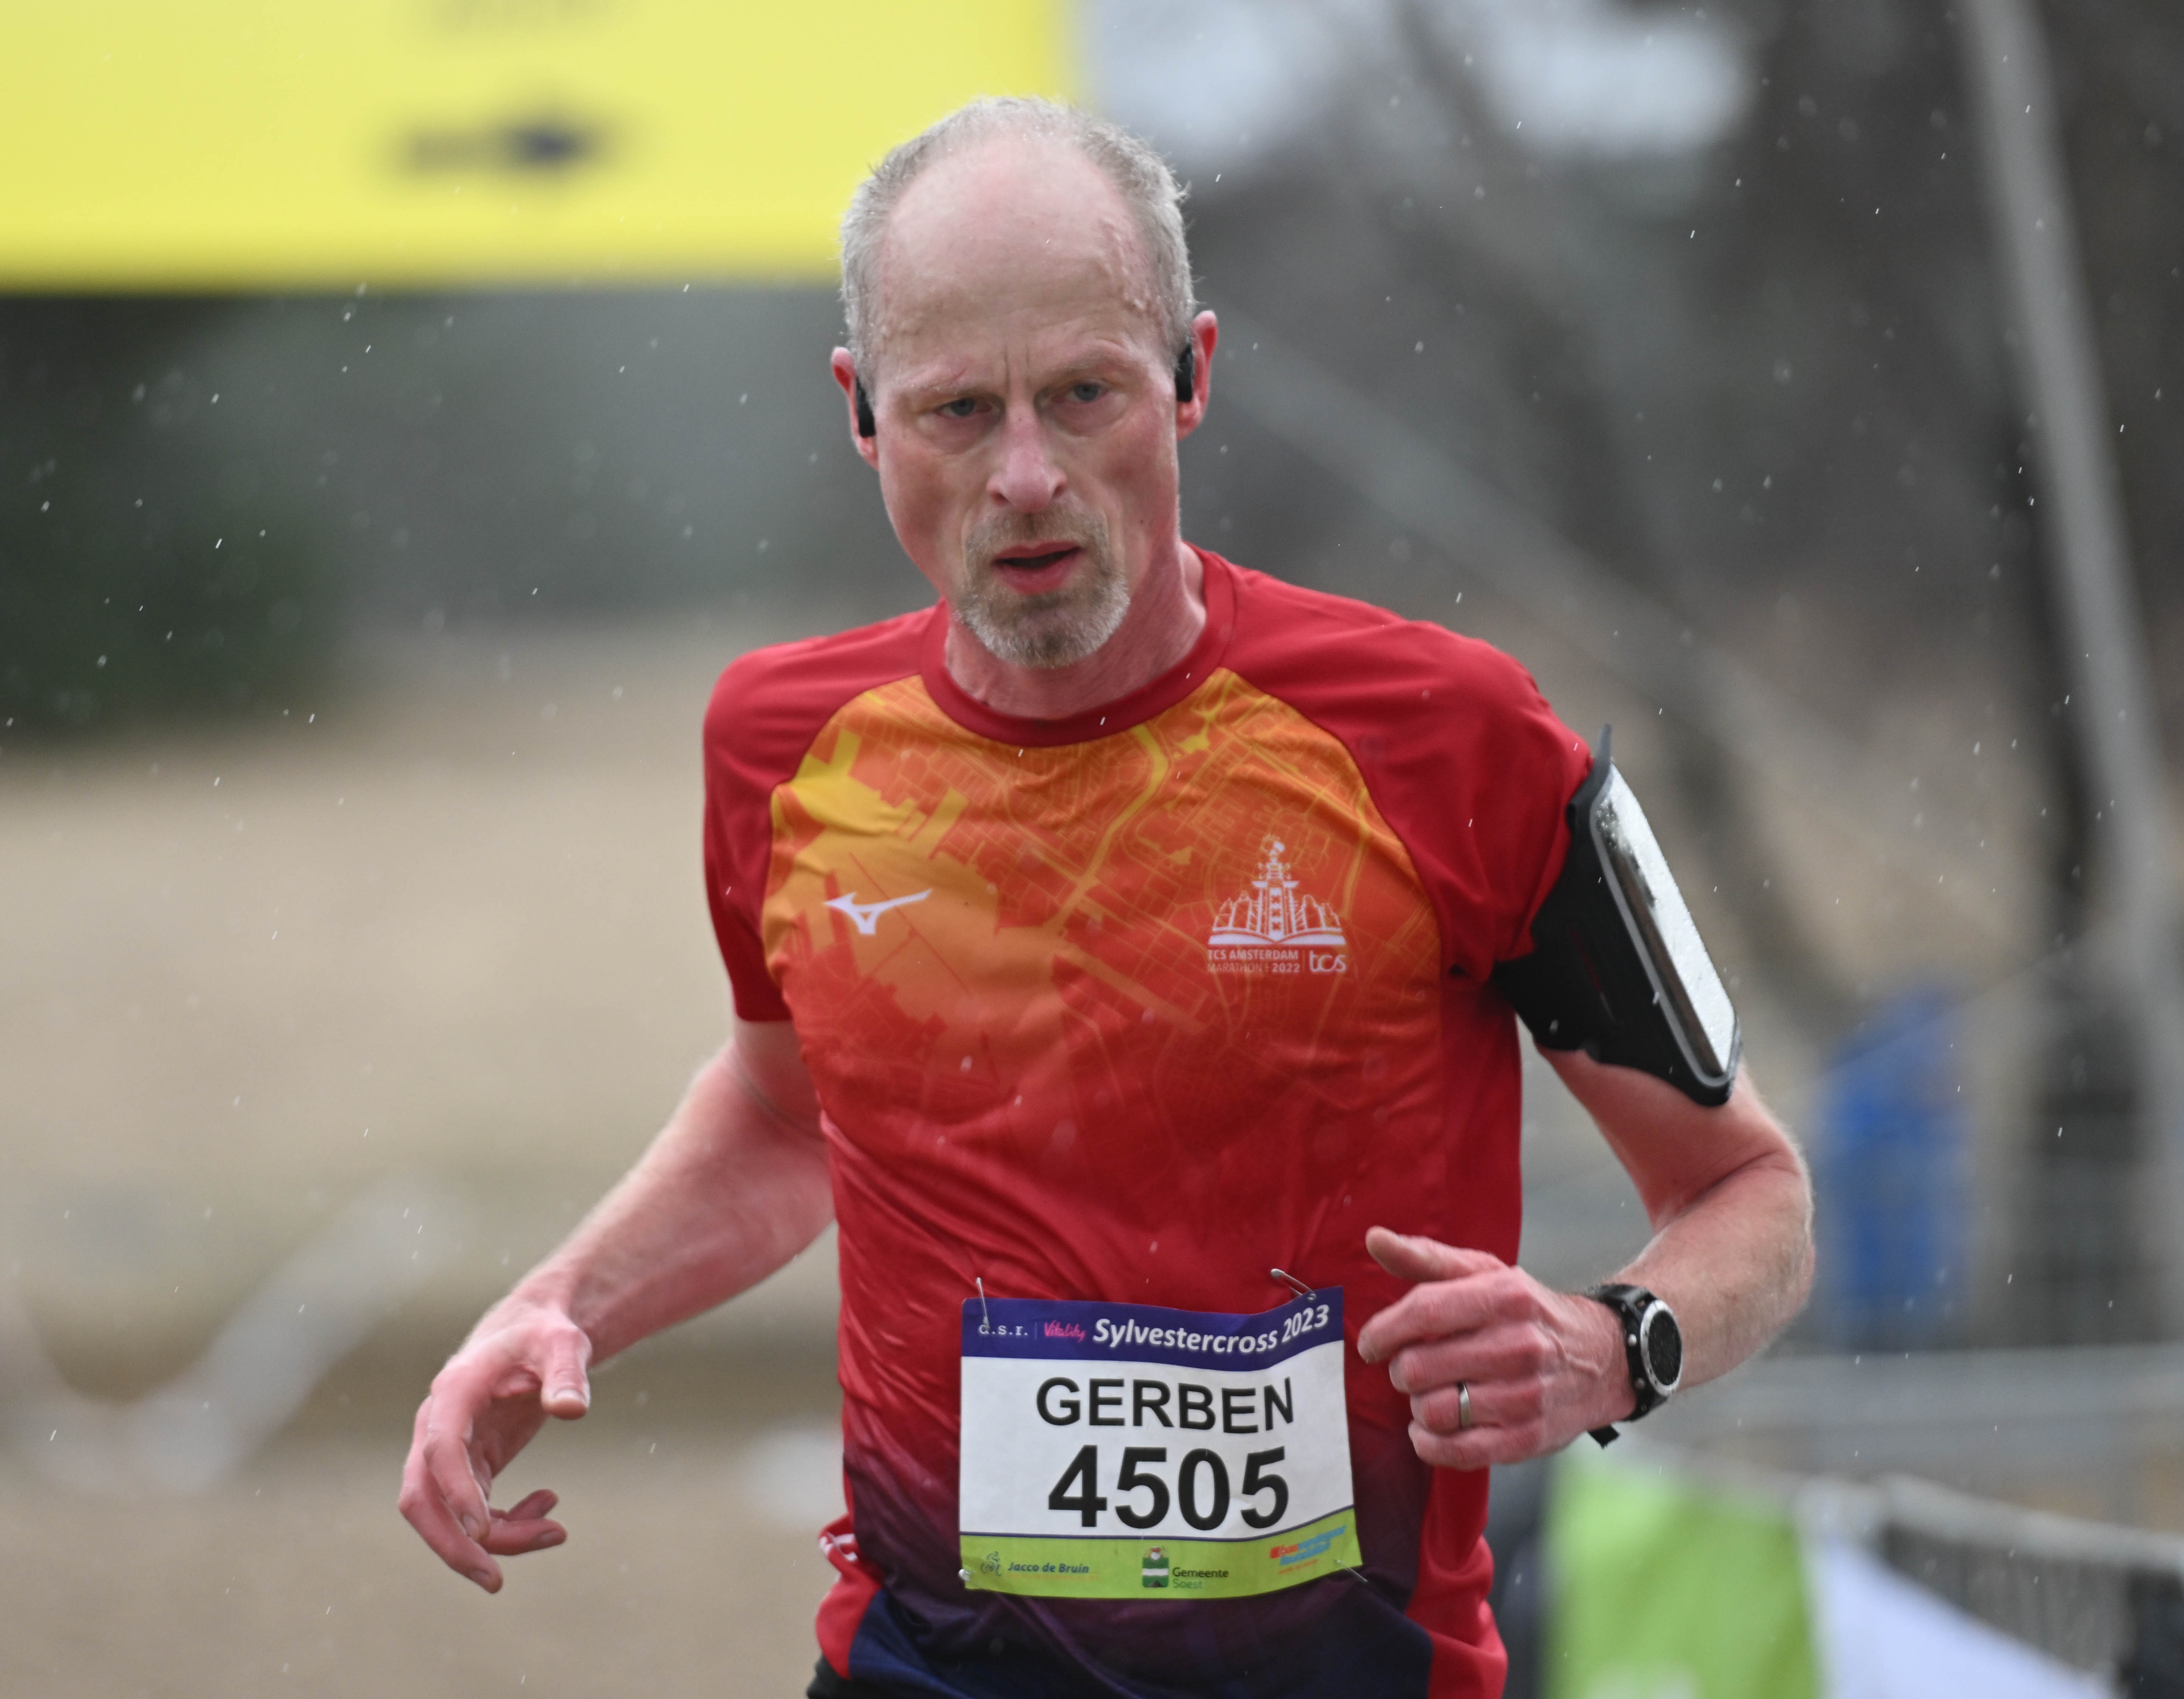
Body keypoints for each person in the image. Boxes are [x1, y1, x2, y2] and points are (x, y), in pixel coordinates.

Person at [398, 97, 1813, 1698]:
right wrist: (556, 1302)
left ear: (1190, 377)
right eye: (956, 410)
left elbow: (1749, 1191)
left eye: (1084, 395)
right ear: (860, 412)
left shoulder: (1453, 738)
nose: (1024, 475)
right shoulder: (781, 751)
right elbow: (793, 1115)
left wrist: (1611, 1345)